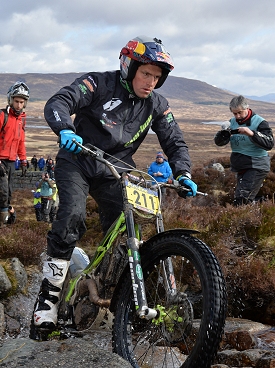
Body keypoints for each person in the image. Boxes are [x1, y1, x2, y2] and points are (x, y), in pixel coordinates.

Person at [31, 35, 197, 335]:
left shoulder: (157, 103)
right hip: (78, 159)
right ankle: (48, 298)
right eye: (146, 73)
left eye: (157, 77)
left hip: (116, 171)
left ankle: (111, 292)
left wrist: (183, 172)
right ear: (129, 67)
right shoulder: (97, 83)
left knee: (129, 229)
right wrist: (66, 129)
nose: (151, 82)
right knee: (71, 216)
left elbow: (174, 140)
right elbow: (59, 101)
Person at [214, 95, 274, 206]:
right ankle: (263, 209)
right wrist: (224, 134)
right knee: (244, 197)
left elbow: (270, 143)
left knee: (242, 199)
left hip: (256, 165)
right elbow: (218, 142)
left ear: (247, 108)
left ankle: (245, 218)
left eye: (240, 113)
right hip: (241, 166)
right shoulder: (231, 122)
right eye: (234, 113)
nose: (237, 116)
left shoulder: (260, 122)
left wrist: (251, 133)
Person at [0, 81, 29, 227]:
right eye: (16, 101)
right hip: (1, 161)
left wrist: (23, 161)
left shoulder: (21, 120)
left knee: (8, 193)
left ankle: (6, 220)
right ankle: (3, 224)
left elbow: (21, 142)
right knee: (3, 193)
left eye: (21, 102)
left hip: (12, 162)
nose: (19, 105)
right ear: (10, 100)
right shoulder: (2, 115)